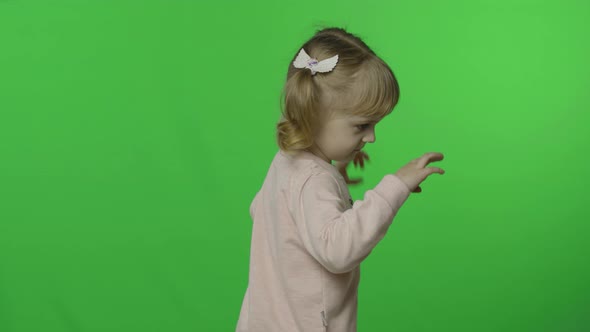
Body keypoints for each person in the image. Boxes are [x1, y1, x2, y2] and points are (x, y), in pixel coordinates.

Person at [236, 26, 445, 332]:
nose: (371, 137)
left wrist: (337, 174)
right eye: (362, 126)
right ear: (315, 117)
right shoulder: (313, 179)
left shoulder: (286, 163)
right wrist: (395, 187)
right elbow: (338, 250)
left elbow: (268, 212)